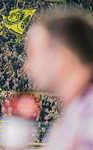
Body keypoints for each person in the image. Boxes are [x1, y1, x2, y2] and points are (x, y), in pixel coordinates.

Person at [26, 12, 93, 150]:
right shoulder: (75, 112)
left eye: (33, 54)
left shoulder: (88, 117)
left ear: (61, 58)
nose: (27, 66)